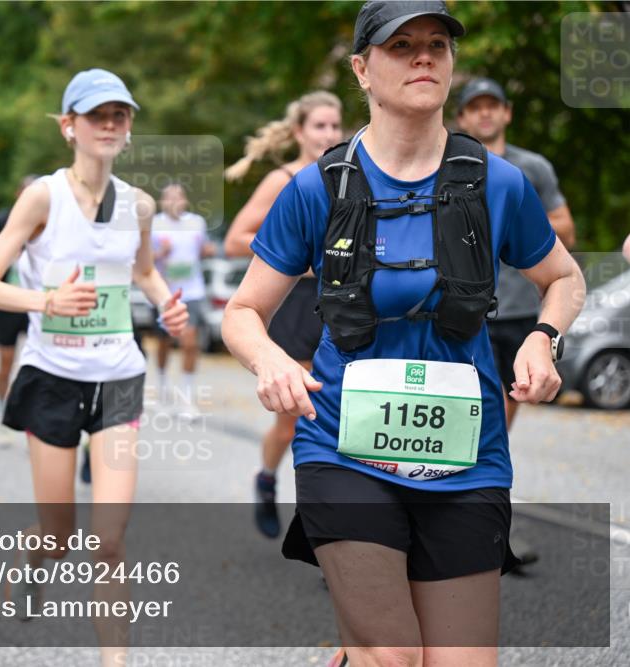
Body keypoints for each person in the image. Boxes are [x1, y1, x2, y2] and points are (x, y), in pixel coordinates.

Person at [221, 3, 585, 665]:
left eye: (437, 45)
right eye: (401, 46)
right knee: (395, 656)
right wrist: (269, 359)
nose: (424, 57)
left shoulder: (499, 184)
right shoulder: (316, 188)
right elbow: (241, 311)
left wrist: (542, 336)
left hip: (465, 454)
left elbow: (564, 277)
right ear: (361, 68)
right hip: (343, 444)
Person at [0, 68, 188, 665]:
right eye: (97, 115)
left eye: (120, 115)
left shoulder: (138, 205)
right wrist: (45, 301)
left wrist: (167, 302)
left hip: (118, 374)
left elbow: (141, 270)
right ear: (69, 127)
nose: (111, 124)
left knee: (109, 541)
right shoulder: (43, 196)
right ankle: (33, 562)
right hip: (51, 375)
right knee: (59, 534)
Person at [223, 91, 343, 538]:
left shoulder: (348, 176)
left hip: (342, 306)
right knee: (297, 417)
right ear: (299, 132)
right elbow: (237, 239)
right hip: (295, 304)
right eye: (319, 126)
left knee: (344, 416)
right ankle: (268, 478)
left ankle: (332, 527)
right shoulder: (284, 179)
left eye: (335, 126)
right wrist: (307, 258)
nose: (329, 134)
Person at [456, 76, 577, 430]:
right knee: (484, 397)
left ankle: (490, 456)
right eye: (475, 108)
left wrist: (514, 228)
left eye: (492, 106)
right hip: (469, 307)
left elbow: (566, 230)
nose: (485, 114)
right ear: (462, 118)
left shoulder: (532, 168)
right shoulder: (449, 167)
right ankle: (480, 459)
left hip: (521, 308)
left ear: (507, 113)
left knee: (514, 393)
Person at [0, 176, 38, 435]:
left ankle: (35, 418)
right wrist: (0, 262)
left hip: (37, 301)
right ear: (18, 194)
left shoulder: (52, 218)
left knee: (37, 361)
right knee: (7, 360)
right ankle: (2, 406)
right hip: (7, 300)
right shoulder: (2, 219)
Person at [151, 183, 216, 417]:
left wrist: (207, 250)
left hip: (192, 292)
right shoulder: (155, 224)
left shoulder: (196, 222)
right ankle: (162, 392)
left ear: (185, 201)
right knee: (165, 343)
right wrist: (160, 254)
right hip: (163, 293)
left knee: (190, 343)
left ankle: (186, 399)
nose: (174, 201)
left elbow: (202, 249)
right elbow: (143, 260)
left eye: (178, 197)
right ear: (162, 202)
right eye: (168, 197)